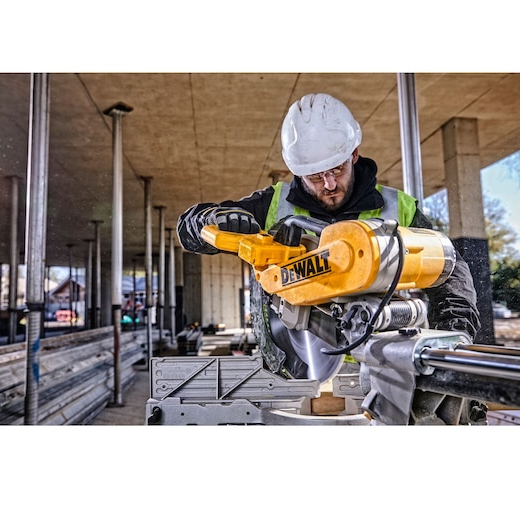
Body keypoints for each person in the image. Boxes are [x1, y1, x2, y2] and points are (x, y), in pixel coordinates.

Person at [177, 92, 481, 379]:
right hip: (293, 376)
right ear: (297, 172)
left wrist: (453, 344)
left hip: (387, 375)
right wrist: (208, 221)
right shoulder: (272, 205)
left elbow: (449, 274)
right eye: (315, 177)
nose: (329, 184)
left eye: (337, 170)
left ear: (354, 154)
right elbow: (190, 230)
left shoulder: (397, 208)